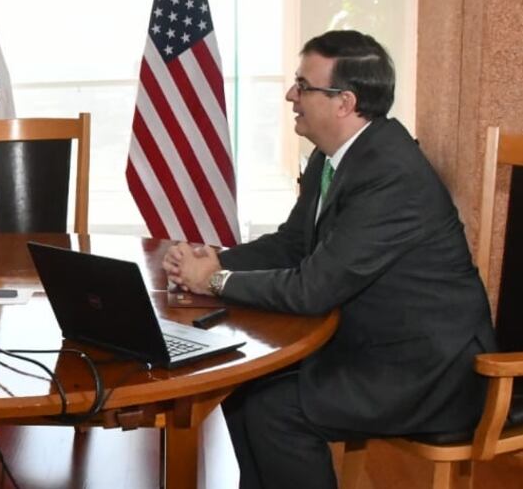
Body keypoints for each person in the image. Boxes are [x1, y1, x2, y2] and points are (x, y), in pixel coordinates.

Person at [163, 30, 496, 489]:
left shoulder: (391, 176)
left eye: (303, 85)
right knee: (241, 389)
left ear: (344, 102)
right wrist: (214, 259)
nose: (290, 95)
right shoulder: (333, 155)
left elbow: (311, 288)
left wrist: (215, 281)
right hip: (370, 347)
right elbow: (293, 244)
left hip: (430, 370)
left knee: (275, 411)